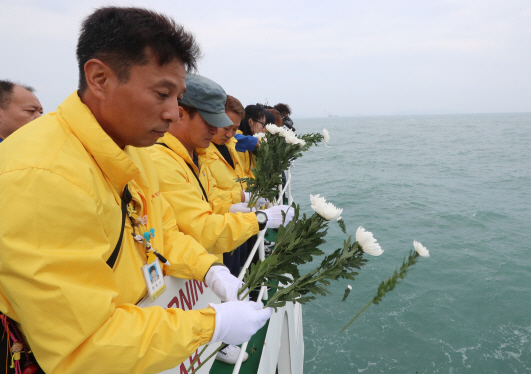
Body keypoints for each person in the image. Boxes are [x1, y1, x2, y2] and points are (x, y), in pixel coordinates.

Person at [0, 7, 271, 374]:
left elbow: (160, 231)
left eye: (177, 98)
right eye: (162, 94)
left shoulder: (131, 148)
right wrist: (212, 325)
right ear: (99, 78)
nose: (174, 113)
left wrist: (208, 269)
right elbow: (84, 345)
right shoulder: (42, 178)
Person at [148, 75, 294, 364]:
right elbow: (200, 227)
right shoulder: (162, 159)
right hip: (195, 260)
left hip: (205, 256)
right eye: (210, 122)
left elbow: (208, 200)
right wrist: (258, 219)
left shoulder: (193, 154)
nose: (219, 131)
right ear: (180, 113)